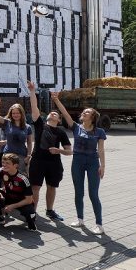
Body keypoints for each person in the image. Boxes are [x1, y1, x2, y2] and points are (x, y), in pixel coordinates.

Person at [54, 94, 107, 234]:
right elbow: (65, 113)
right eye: (84, 112)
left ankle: (99, 224)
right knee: (78, 192)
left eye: (87, 112)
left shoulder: (99, 132)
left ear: (93, 117)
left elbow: (101, 150)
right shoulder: (76, 127)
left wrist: (103, 166)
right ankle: (80, 219)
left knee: (93, 194)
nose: (84, 113)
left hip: (93, 163)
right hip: (77, 161)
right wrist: (56, 99)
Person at [26, 80, 71, 223]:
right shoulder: (40, 125)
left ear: (58, 120)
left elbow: (69, 151)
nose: (53, 114)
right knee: (36, 187)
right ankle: (32, 212)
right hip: (38, 161)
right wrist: (32, 91)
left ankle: (50, 210)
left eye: (56, 114)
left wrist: (59, 151)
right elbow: (34, 107)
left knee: (52, 187)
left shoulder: (61, 132)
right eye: (51, 113)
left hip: (54, 163)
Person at [0, 153, 36, 230]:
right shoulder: (2, 171)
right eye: (3, 162)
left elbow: (29, 200)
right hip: (9, 197)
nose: (4, 165)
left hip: (22, 201)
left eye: (7, 163)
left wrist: (13, 206)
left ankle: (31, 220)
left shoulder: (23, 178)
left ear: (15, 165)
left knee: (29, 213)